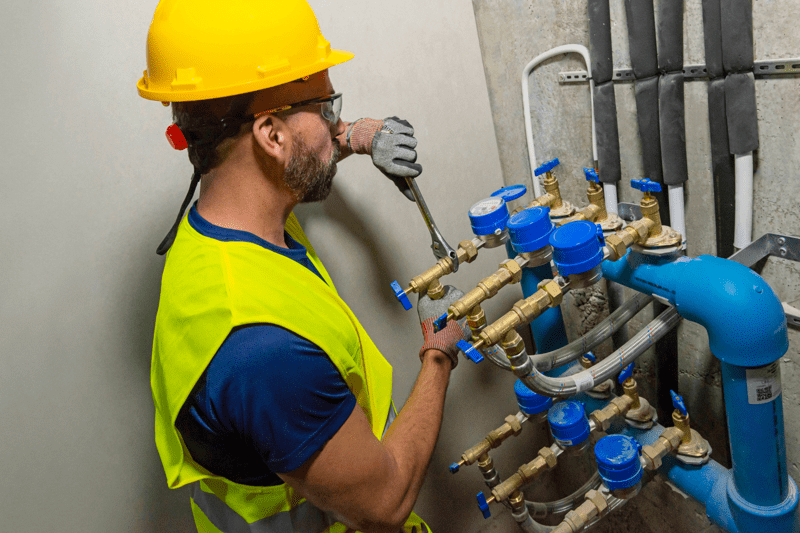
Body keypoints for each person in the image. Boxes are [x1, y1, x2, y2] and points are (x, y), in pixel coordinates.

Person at [138, 1, 468, 531]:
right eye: (327, 107)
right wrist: (438, 354)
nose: (335, 120)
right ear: (270, 135)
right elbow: (384, 504)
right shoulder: (261, 354)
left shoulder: (220, 230)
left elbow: (298, 150)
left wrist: (356, 134)